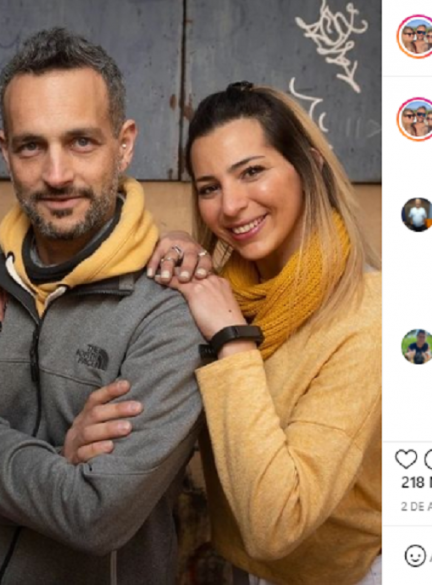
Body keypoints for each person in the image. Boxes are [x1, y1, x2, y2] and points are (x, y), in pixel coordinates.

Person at [0, 28, 204, 585]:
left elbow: (97, 515)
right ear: (5, 151)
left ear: (124, 144)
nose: (57, 174)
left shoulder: (167, 308)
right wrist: (60, 465)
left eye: (81, 142)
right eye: (31, 146)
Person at [67, 82, 383, 585]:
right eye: (209, 188)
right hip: (248, 571)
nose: (231, 206)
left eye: (252, 172)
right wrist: (85, 436)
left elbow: (277, 523)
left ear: (310, 167)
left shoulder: (370, 315)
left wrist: (233, 340)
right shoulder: (219, 291)